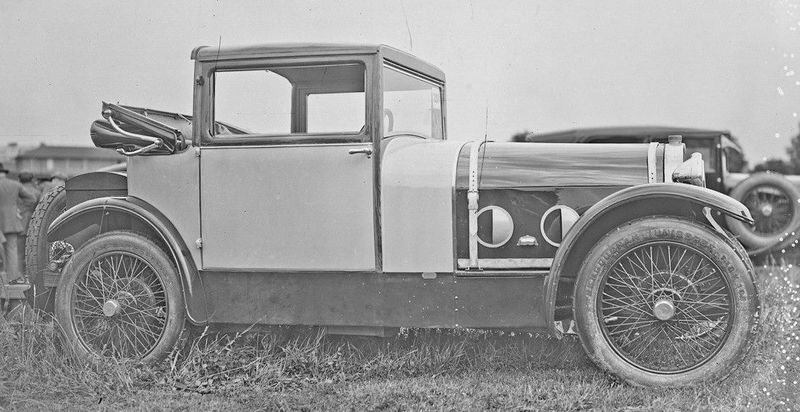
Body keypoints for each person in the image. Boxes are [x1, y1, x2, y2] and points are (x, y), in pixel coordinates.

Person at [0, 164, 37, 284]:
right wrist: (19, 209)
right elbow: (31, 199)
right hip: (11, 221)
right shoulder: (15, 185)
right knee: (12, 250)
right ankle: (12, 278)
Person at [17, 172, 42, 276]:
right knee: (32, 252)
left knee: (19, 253)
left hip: (18, 223)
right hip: (33, 224)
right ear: (31, 180)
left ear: (19, 179)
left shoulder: (16, 191)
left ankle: (19, 275)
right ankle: (30, 275)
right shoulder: (37, 192)